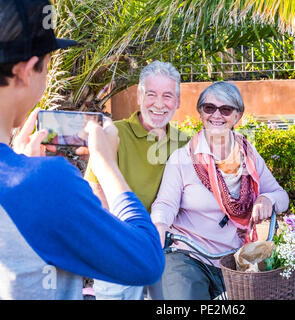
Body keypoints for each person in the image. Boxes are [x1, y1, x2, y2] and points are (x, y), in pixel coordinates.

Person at [0, 0, 163, 300]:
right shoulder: (47, 182)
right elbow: (147, 261)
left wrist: (17, 165)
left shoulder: (26, 182)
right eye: (47, 65)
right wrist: (106, 164)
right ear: (26, 71)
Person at [150, 81, 290, 300]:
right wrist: (159, 225)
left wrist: (266, 199)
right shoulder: (183, 157)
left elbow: (282, 197)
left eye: (225, 109)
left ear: (237, 116)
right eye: (209, 108)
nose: (216, 115)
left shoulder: (249, 157)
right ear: (200, 113)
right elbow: (165, 203)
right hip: (188, 254)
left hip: (235, 259)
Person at [84, 60, 187, 300]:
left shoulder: (185, 144)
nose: (159, 104)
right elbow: (95, 188)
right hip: (118, 249)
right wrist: (120, 238)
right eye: (151, 94)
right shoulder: (113, 133)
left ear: (178, 102)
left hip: (166, 254)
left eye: (168, 96)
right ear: (140, 96)